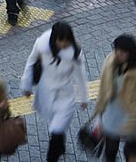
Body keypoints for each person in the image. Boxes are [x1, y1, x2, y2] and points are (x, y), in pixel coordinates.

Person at [22, 22, 89, 162]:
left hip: (65, 95)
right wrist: (26, 85)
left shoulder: (75, 52)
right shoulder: (42, 45)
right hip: (45, 92)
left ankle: (52, 157)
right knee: (55, 126)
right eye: (61, 40)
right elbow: (31, 62)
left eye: (67, 40)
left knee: (56, 130)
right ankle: (60, 144)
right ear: (54, 39)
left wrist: (84, 96)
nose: (64, 44)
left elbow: (80, 75)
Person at [94, 35, 136, 162]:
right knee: (110, 152)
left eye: (123, 52)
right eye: (117, 50)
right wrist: (99, 118)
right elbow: (103, 91)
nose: (118, 54)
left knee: (134, 154)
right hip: (112, 114)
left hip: (131, 117)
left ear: (131, 53)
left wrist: (128, 128)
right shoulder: (109, 62)